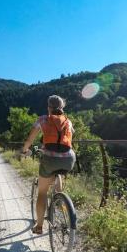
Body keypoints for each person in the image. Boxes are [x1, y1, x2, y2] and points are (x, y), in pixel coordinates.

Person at [21, 95, 76, 234]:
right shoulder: (68, 122)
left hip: (50, 159)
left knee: (42, 192)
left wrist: (25, 150)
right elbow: (68, 139)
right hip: (69, 159)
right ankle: (60, 201)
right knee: (59, 173)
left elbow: (30, 139)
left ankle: (39, 226)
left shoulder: (43, 119)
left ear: (48, 107)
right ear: (62, 108)